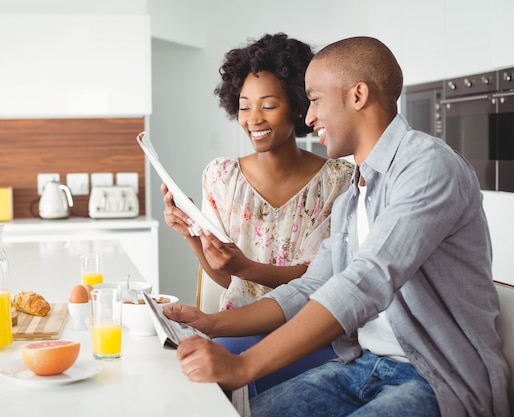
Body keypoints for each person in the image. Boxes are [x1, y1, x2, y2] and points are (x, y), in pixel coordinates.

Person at [164, 36, 511, 417]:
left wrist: (243, 366)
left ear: (358, 95)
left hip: (436, 377)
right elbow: (311, 286)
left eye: (314, 99)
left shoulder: (427, 165)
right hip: (363, 367)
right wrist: (210, 323)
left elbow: (367, 279)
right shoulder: (354, 191)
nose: (309, 117)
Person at [161, 33, 354, 396]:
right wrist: (188, 232)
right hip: (236, 326)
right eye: (245, 105)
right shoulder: (220, 177)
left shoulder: (338, 181)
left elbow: (322, 284)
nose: (253, 119)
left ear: (299, 106)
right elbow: (228, 282)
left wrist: (244, 267)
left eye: (268, 105)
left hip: (309, 333)